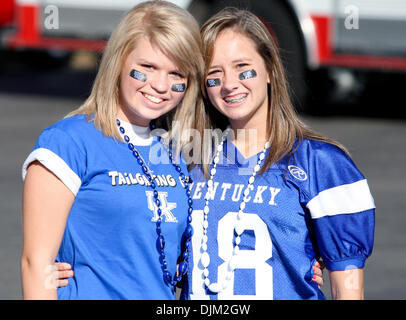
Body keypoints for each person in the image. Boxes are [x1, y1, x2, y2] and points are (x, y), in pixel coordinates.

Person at [181, 7, 375, 300]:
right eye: (214, 74)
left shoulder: (320, 163)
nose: (229, 84)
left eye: (242, 67)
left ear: (270, 70)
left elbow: (347, 287)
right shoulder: (187, 159)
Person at [21, 0, 205, 300]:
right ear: (119, 60)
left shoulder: (177, 151)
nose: (161, 85)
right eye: (147, 67)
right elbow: (35, 264)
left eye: (177, 75)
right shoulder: (68, 142)